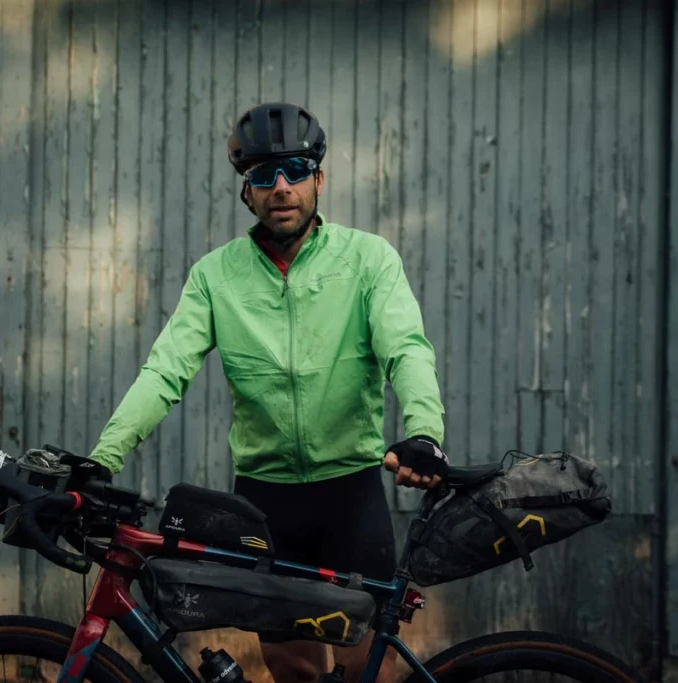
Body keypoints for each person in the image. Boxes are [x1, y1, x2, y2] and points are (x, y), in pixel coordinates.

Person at [88, 102, 448, 683]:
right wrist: (104, 456)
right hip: (265, 504)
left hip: (350, 496)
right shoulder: (216, 275)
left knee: (362, 673)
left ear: (319, 180)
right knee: (295, 673)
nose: (280, 187)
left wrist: (425, 431)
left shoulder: (368, 259)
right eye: (262, 175)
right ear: (246, 193)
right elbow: (165, 371)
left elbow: (406, 349)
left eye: (295, 170)